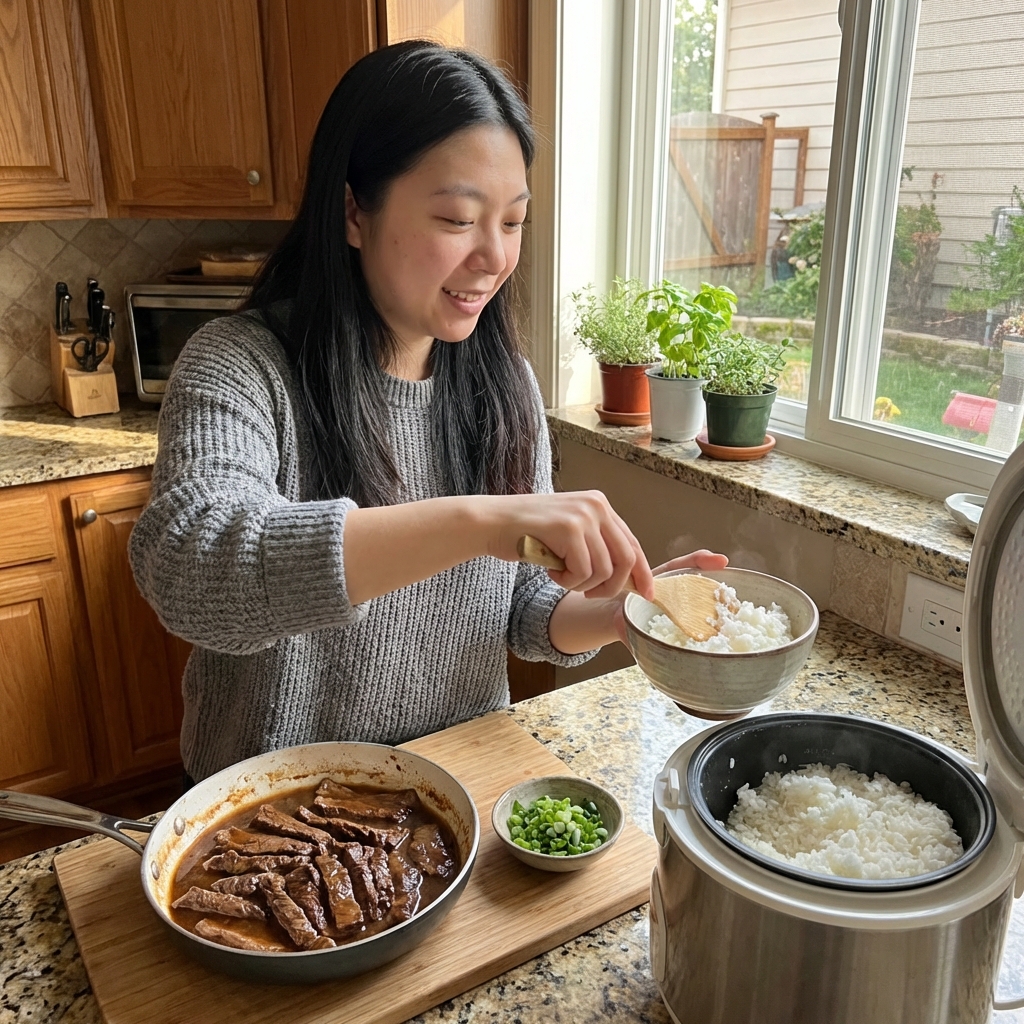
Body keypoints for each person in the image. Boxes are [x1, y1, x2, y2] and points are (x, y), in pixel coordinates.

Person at [130, 41, 727, 784]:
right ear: (353, 210)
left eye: (513, 223)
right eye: (456, 219)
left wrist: (618, 618)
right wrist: (479, 521)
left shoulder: (503, 383)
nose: (493, 257)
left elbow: (523, 605)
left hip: (450, 798)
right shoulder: (242, 365)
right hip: (270, 813)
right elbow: (192, 569)